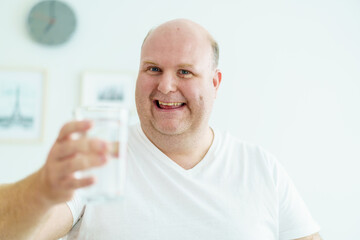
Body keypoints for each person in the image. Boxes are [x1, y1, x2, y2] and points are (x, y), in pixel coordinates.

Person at [0, 19, 322, 240]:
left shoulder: (260, 168)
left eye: (184, 72)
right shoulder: (101, 155)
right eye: (153, 69)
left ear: (214, 83)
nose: (166, 86)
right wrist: (42, 187)